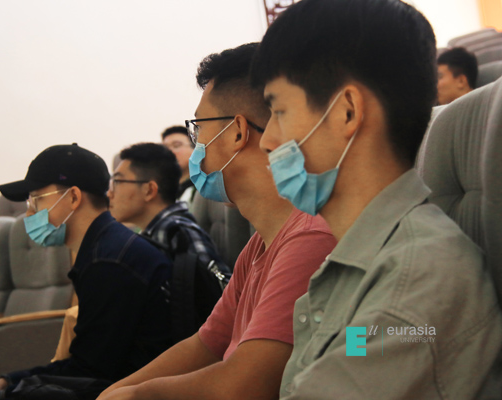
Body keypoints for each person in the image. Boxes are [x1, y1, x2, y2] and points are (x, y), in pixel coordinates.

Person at [250, 0, 502, 398]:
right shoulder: (361, 261)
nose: (267, 141)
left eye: (278, 111)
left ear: (347, 112)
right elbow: (357, 346)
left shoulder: (414, 286)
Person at [98, 43, 336, 400]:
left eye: (199, 128)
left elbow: (246, 384)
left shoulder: (309, 237)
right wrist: (116, 391)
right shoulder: (259, 244)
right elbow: (207, 344)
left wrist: (137, 395)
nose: (197, 145)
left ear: (238, 132)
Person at [0, 143, 172, 400]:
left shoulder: (108, 262)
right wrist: (8, 381)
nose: (28, 213)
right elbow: (88, 365)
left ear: (74, 197)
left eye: (35, 200)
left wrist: (6, 392)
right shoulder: (105, 248)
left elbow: (91, 374)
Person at [108, 142, 231, 341]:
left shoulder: (178, 233)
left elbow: (222, 301)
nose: (110, 193)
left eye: (118, 182)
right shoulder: (154, 234)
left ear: (149, 190)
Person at [161, 126, 196, 205]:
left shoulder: (203, 189)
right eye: (165, 147)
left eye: (176, 146)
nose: (169, 152)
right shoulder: (161, 190)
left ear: (194, 149)